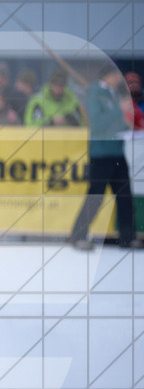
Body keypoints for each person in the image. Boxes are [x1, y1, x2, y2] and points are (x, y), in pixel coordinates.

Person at [69, 65, 143, 250]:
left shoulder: (114, 94)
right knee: (95, 197)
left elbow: (118, 123)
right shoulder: (94, 94)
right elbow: (98, 124)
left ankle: (127, 237)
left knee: (125, 197)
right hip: (101, 155)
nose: (120, 80)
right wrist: (119, 110)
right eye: (117, 75)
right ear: (108, 76)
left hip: (117, 152)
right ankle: (78, 235)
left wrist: (130, 130)